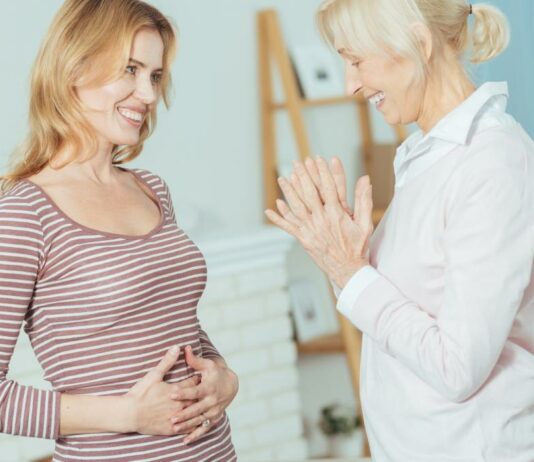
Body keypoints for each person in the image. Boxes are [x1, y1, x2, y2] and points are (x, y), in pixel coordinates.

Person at [266, 0, 534, 461]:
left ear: (420, 42)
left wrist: (353, 275)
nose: (350, 84)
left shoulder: (492, 164)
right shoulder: (425, 157)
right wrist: (345, 261)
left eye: (355, 60)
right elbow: (400, 313)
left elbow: (457, 368)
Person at [0, 0, 238, 460]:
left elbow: (174, 325)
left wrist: (223, 375)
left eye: (153, 76)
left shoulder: (151, 189)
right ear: (74, 68)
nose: (147, 95)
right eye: (129, 69)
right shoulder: (25, 213)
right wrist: (127, 415)